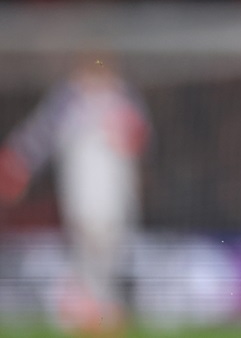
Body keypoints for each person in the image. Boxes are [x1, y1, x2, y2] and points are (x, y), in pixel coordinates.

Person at [0, 57, 151, 337]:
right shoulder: (68, 100)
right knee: (89, 240)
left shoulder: (123, 98)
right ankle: (88, 307)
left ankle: (99, 307)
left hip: (117, 188)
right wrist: (16, 166)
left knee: (112, 246)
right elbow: (39, 135)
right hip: (84, 188)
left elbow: (140, 136)